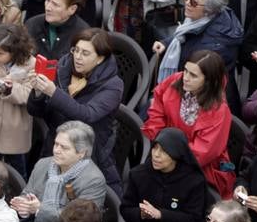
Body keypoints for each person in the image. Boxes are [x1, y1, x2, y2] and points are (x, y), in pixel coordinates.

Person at [30, 31, 125, 190]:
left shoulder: (113, 85)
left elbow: (87, 115)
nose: (78, 57)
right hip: (55, 146)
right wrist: (38, 92)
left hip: (89, 153)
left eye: (85, 53)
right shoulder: (62, 67)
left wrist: (53, 92)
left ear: (100, 58)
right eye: (76, 50)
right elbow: (36, 111)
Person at [144, 52, 237, 201]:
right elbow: (158, 104)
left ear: (208, 81)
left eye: (193, 75)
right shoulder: (176, 80)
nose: (185, 77)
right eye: (186, 70)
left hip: (198, 170)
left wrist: (169, 155)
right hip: (164, 152)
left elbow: (201, 154)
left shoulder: (219, 110)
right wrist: (161, 141)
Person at [13, 122, 110, 222]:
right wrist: (23, 206)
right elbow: (27, 194)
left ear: (81, 153)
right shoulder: (43, 164)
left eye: (64, 147)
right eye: (56, 144)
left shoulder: (93, 180)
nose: (56, 150)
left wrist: (39, 209)